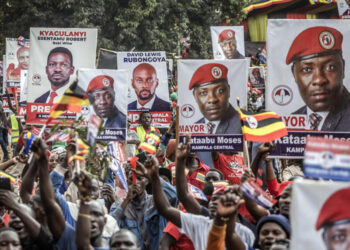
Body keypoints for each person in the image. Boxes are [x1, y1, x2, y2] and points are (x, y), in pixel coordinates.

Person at [286, 26, 350, 131]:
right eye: (306, 69)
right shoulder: (290, 122)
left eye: (331, 67)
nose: (319, 80)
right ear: (294, 73)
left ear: (343, 68)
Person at [189, 63, 242, 134]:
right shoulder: (194, 129)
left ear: (228, 91)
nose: (212, 99)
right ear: (194, 96)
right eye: (203, 93)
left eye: (220, 91)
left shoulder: (244, 126)